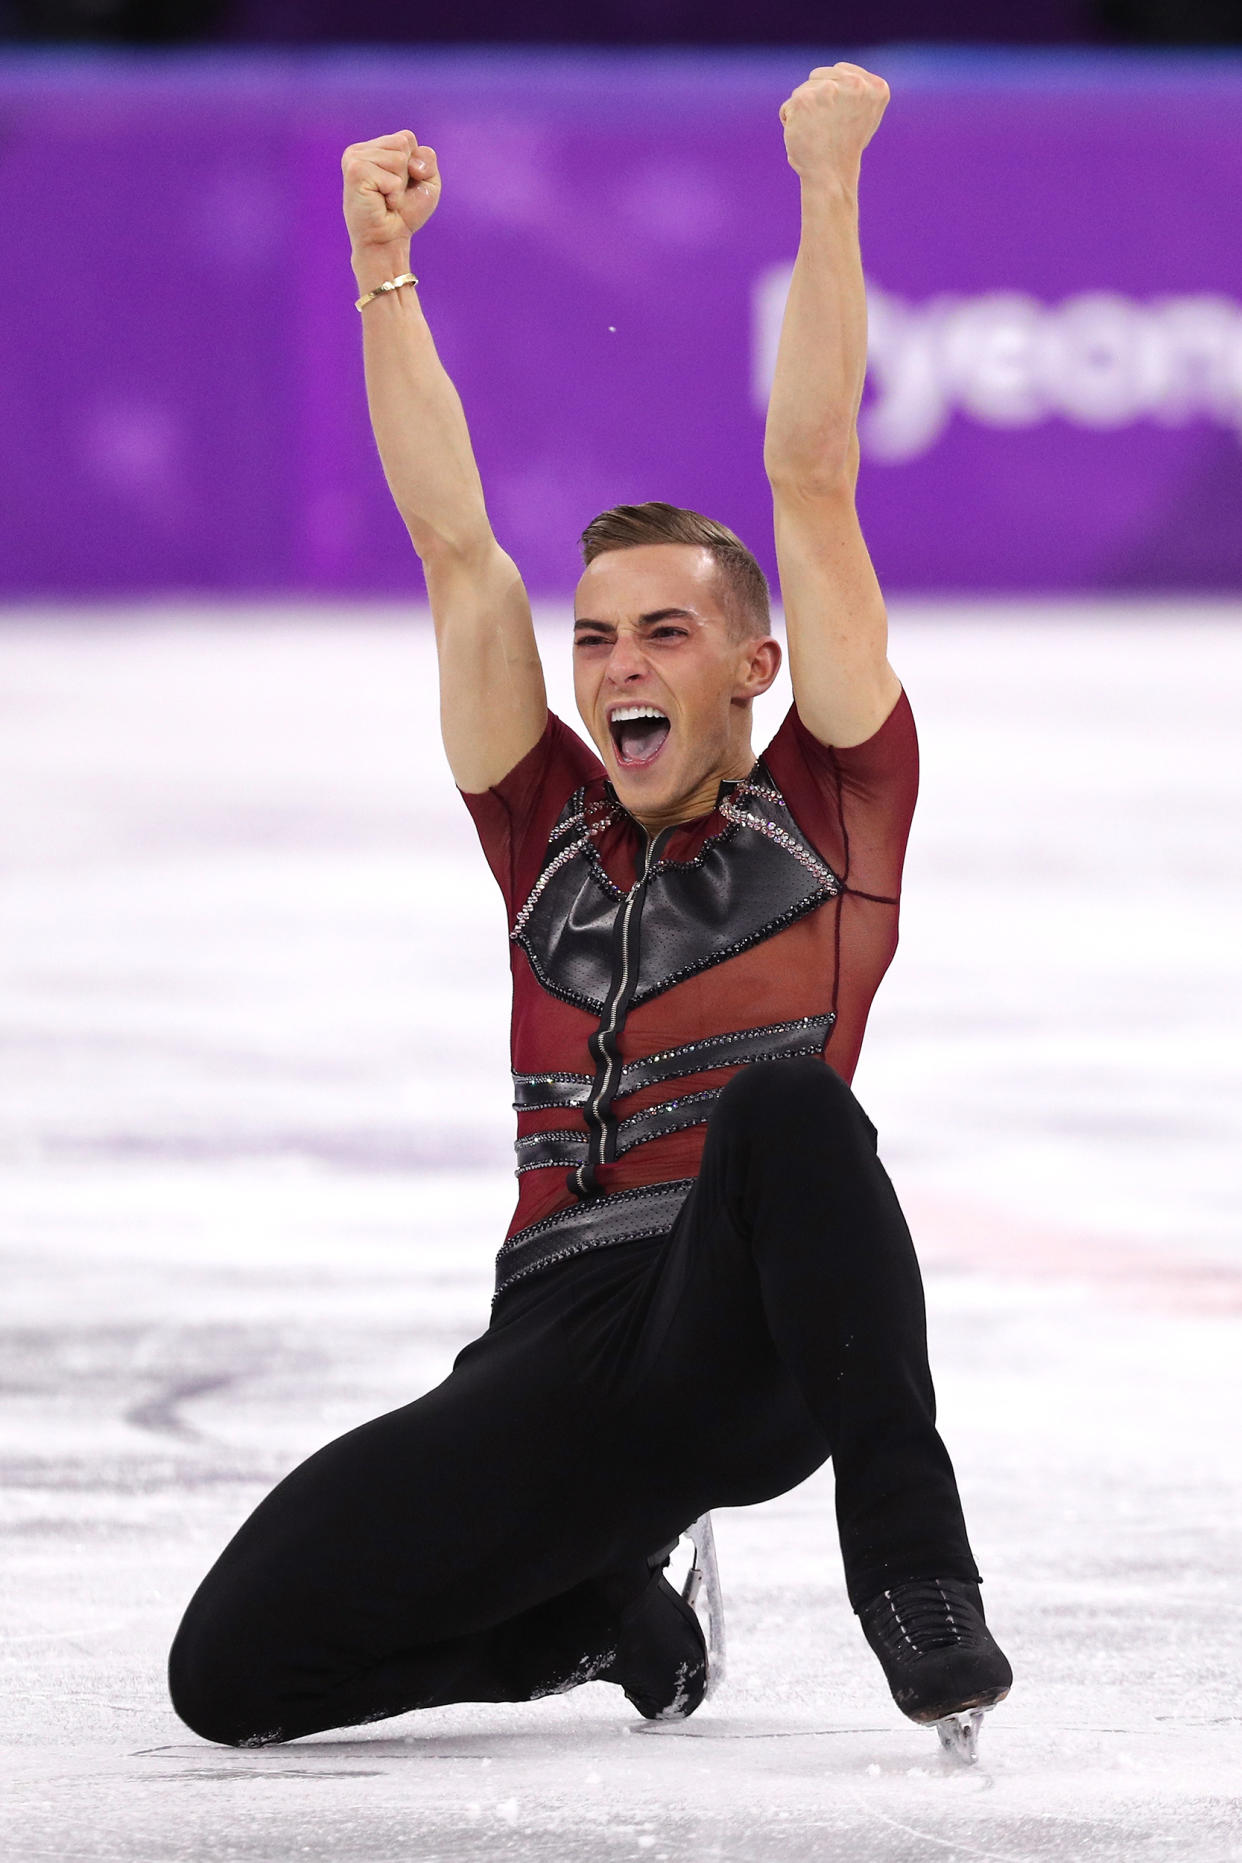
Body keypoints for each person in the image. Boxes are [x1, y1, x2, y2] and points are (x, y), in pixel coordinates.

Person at [168, 61, 1012, 1760]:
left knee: (790, 1106)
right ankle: (596, 1620)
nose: (619, 665)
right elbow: (454, 548)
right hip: (548, 1341)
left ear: (753, 669)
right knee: (234, 1678)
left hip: (739, 1333)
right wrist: (378, 269)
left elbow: (812, 474)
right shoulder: (541, 820)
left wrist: (828, 188)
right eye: (598, 639)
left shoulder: (836, 808)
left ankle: (915, 1576)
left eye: (664, 635)